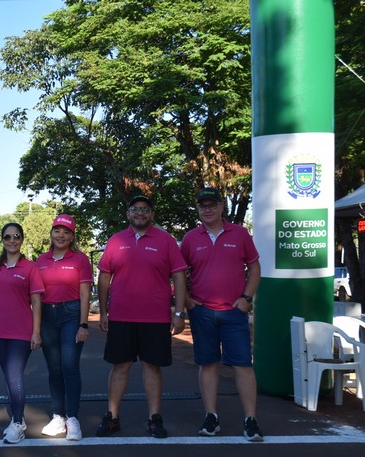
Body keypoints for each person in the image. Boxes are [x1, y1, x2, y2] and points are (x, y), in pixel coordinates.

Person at [96, 193, 187, 439]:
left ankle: (154, 418)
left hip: (156, 317)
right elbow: (104, 277)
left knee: (152, 366)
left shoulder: (166, 240)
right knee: (120, 366)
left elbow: (178, 276)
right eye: (135, 208)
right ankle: (112, 416)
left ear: (152, 214)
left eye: (145, 209)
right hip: (121, 317)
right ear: (128, 213)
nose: (140, 213)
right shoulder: (115, 241)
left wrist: (179, 312)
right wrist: (104, 311)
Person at [180, 187, 264, 442]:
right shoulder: (191, 238)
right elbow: (178, 273)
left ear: (221, 207)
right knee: (207, 364)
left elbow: (255, 267)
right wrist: (186, 301)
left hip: (233, 312)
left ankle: (250, 420)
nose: (207, 209)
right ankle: (211, 416)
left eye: (211, 205)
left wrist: (246, 298)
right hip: (202, 312)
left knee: (242, 365)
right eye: (202, 206)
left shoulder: (239, 234)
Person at [0, 222, 45, 444]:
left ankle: (18, 422)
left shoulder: (31, 268)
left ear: (21, 239)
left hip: (22, 332)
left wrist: (36, 332)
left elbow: (37, 303)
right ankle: (17, 419)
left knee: (14, 375)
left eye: (16, 236)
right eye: (7, 237)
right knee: (9, 378)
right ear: (2, 240)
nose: (12, 240)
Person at [35, 214, 92, 441]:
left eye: (66, 232)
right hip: (48, 315)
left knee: (69, 367)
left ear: (72, 236)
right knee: (54, 369)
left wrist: (84, 324)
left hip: (71, 315)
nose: (61, 235)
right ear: (51, 234)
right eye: (57, 231)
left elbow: (85, 293)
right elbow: (35, 296)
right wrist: (36, 327)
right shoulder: (40, 260)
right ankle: (58, 416)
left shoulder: (80, 260)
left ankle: (73, 418)